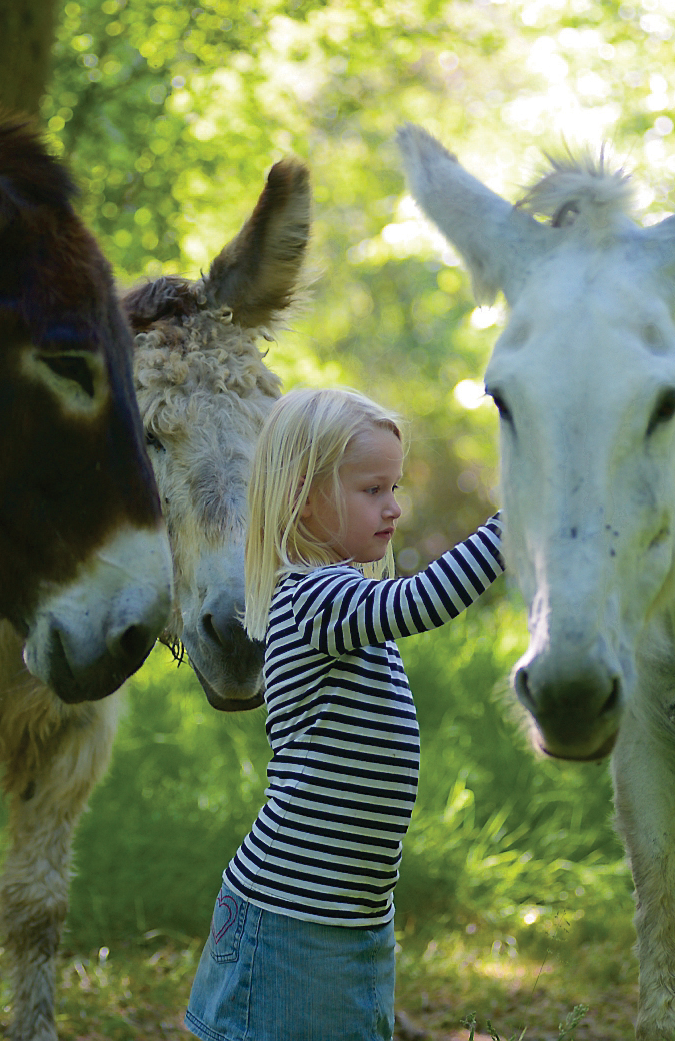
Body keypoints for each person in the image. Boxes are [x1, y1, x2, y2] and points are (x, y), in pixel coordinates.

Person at [185, 386, 504, 1041]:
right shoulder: (313, 597)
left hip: (343, 909)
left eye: (393, 487)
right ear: (305, 496)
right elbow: (425, 600)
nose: (394, 507)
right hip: (293, 914)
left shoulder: (337, 594)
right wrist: (517, 521)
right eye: (372, 489)